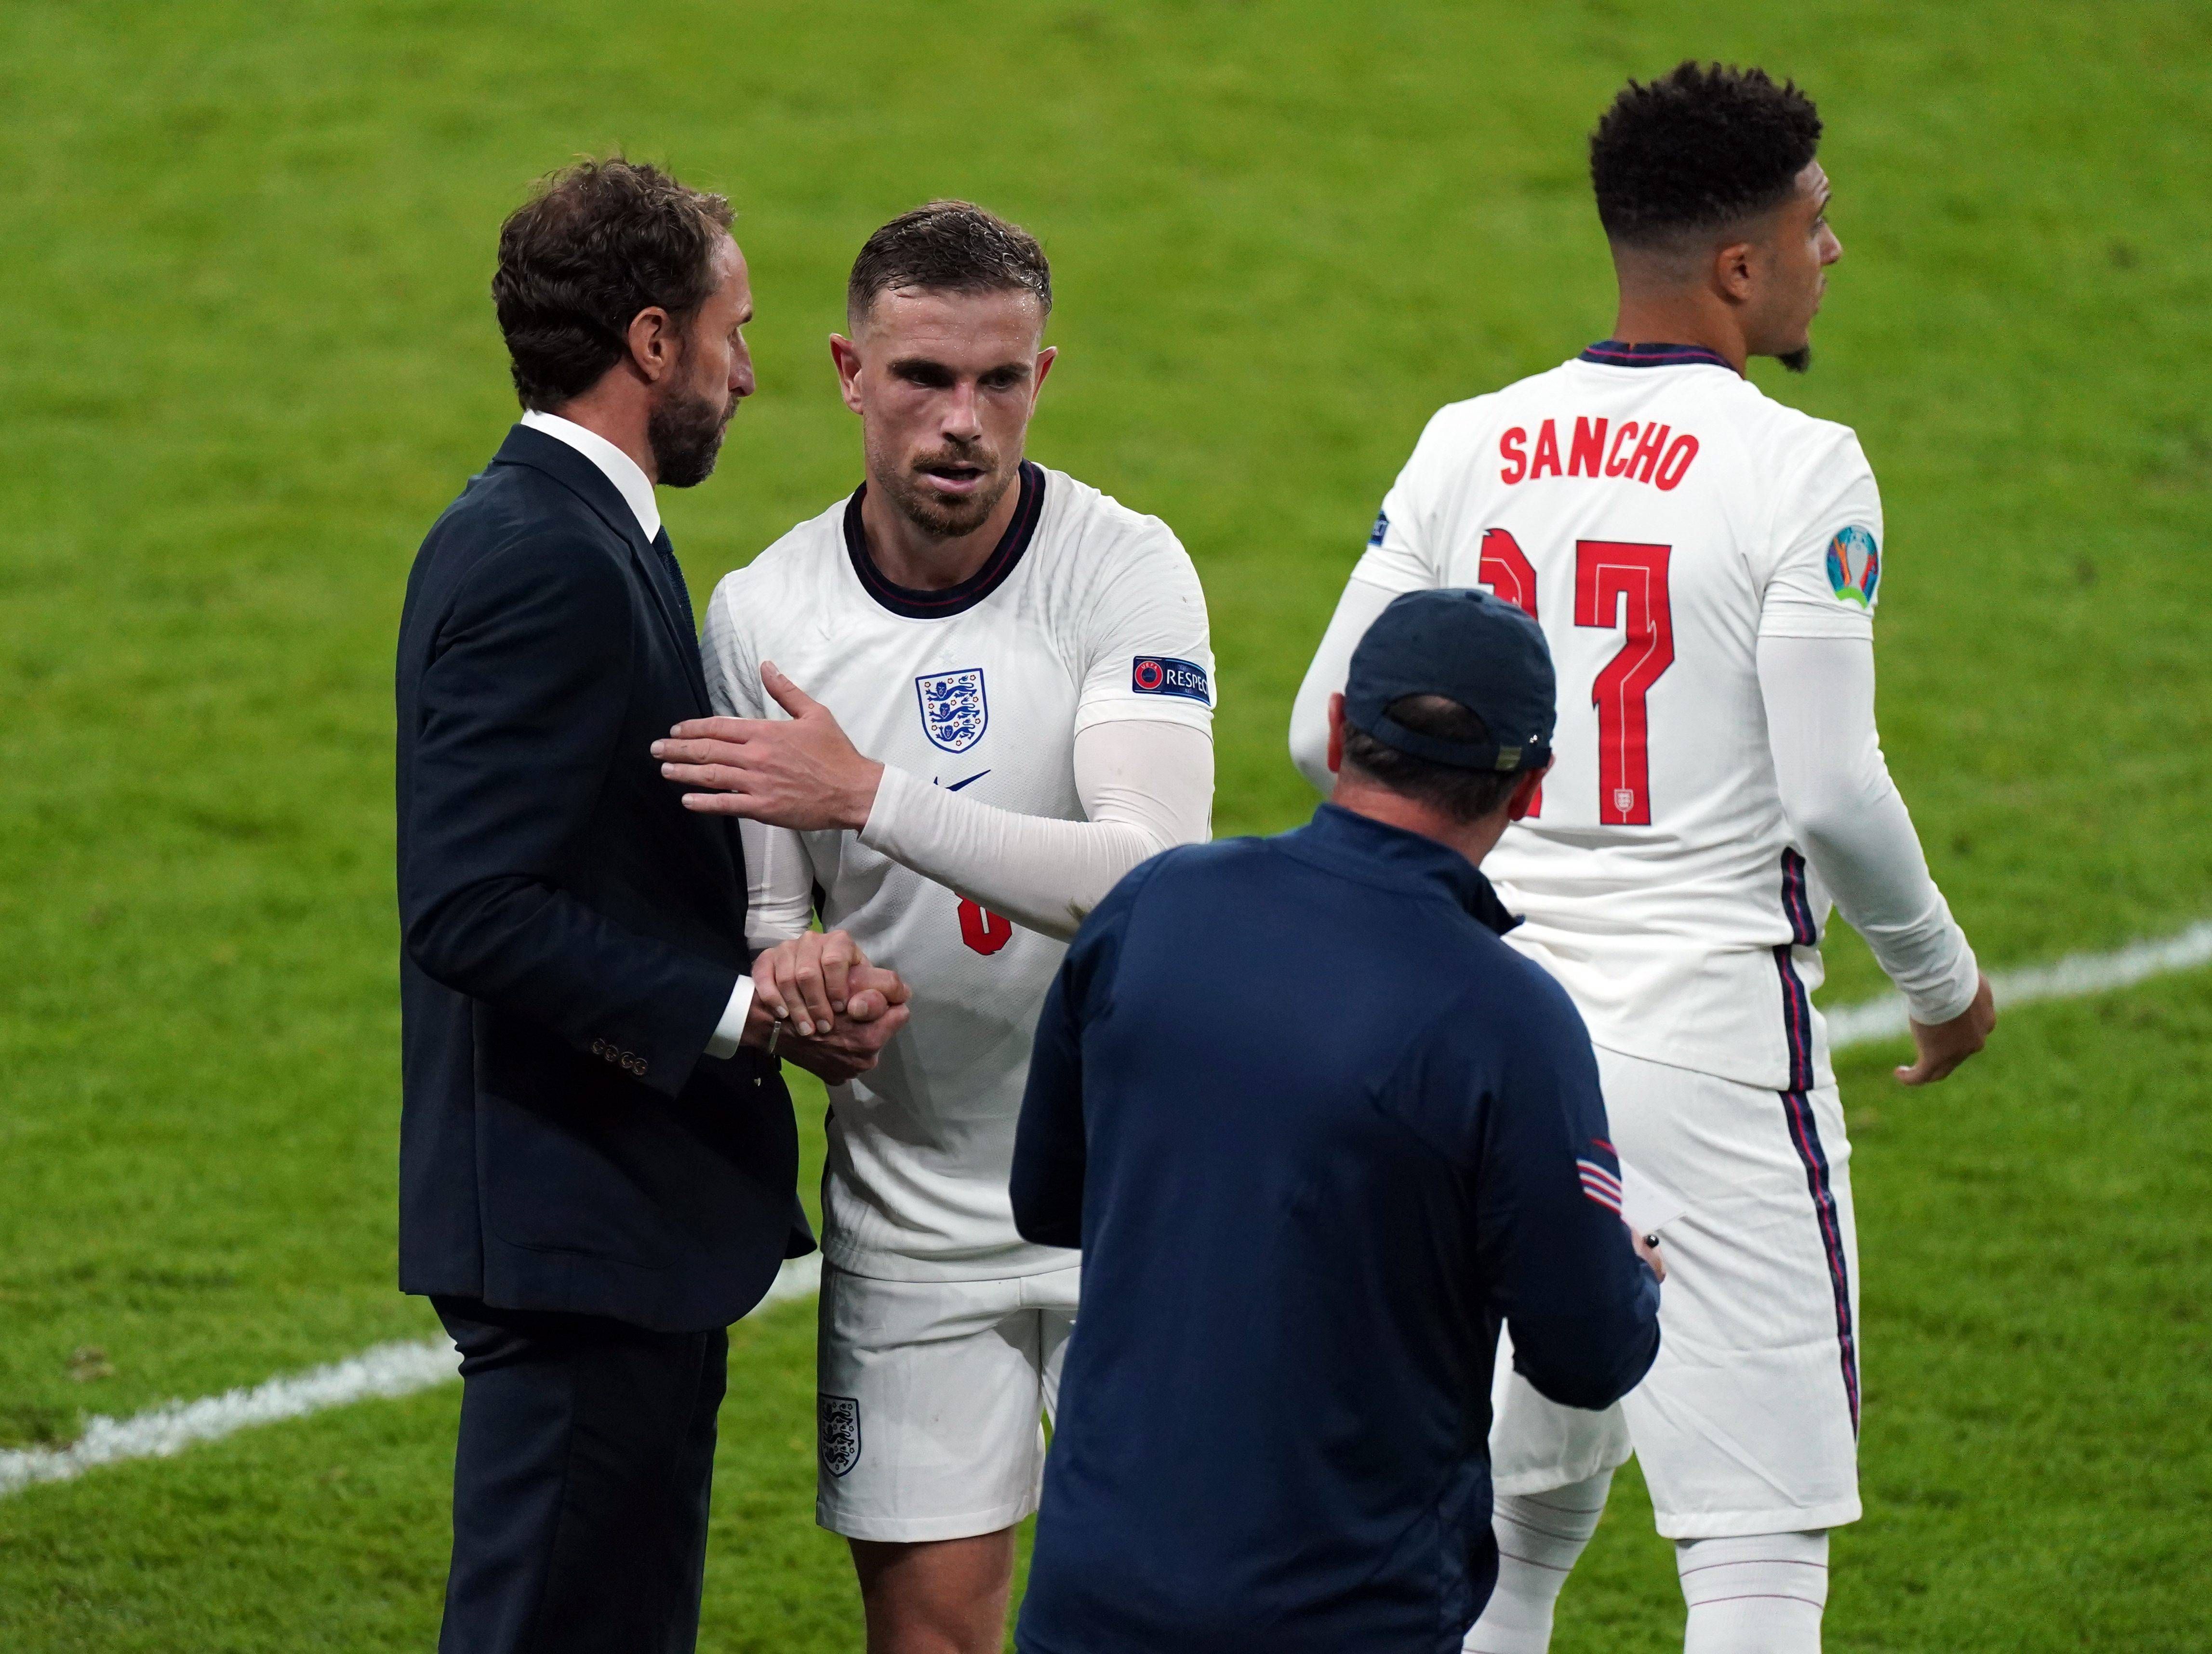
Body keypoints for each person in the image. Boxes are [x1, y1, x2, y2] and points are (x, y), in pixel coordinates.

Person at [1289, 63, 1999, 1654]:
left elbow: (1321, 729)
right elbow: (1829, 786)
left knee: (1506, 1522)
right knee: (1754, 1560)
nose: (1837, 251)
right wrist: (1944, 986)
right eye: (1819, 221)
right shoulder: (1802, 465)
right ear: (1740, 265)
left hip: (1473, 1046)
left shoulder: (1467, 442)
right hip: (1709, 1056)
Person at [651, 201, 1216, 1653]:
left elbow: (1146, 878)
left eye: (999, 380)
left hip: (1133, 1205)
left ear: (1041, 378)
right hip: (908, 1216)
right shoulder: (761, 613)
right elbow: (778, 925)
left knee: (1169, 1616)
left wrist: (872, 793)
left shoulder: (1123, 570)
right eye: (922, 379)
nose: (962, 420)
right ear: (848, 371)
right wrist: (807, 985)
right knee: (931, 1641)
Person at [394, 158, 906, 1654]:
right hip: (576, 1224)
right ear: (651, 341)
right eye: (733, 333)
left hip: (612, 1220)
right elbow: (474, 904)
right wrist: (747, 1017)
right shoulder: (544, 554)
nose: (751, 376)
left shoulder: (575, 530)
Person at [1009, 587, 1661, 1654]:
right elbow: (1588, 1349)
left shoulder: (1155, 908)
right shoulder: (1508, 1019)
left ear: (1344, 727)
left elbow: (1051, 1198)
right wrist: (1624, 1272)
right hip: (1344, 1616)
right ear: (1531, 787)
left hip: (1093, 1601)